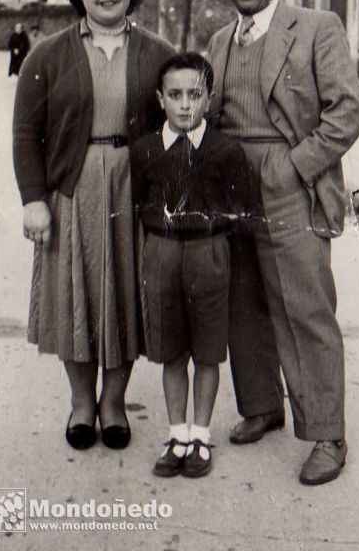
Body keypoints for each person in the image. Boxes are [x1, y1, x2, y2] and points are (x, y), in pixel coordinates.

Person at [207, 0, 359, 485]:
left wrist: (292, 166)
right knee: (243, 303)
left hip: (291, 186)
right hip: (233, 189)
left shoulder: (317, 27)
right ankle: (262, 407)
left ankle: (327, 433)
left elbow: (346, 113)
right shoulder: (220, 40)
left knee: (304, 308)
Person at [13, 0, 175, 451]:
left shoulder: (159, 54)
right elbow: (25, 133)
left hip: (133, 190)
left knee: (127, 295)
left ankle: (114, 403)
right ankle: (82, 403)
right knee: (75, 297)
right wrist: (34, 198)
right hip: (73, 189)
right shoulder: (48, 55)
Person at [130, 53, 252, 478]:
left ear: (209, 99)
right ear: (160, 98)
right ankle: (177, 434)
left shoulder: (225, 150)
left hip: (208, 254)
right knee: (171, 352)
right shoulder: (145, 150)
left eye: (195, 95)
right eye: (176, 95)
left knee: (206, 352)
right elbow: (137, 204)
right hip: (162, 254)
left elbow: (243, 211)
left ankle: (200, 435)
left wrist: (221, 254)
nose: (185, 105)